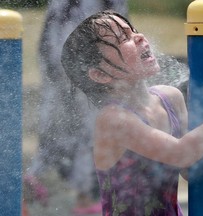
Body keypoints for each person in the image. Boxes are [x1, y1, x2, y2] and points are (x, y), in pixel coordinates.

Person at [61, 10, 203, 215]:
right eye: (123, 38)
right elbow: (180, 154)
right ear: (99, 74)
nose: (139, 37)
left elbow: (189, 168)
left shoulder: (170, 98)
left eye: (133, 30)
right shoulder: (114, 120)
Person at [24, 1, 128, 215]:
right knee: (90, 123)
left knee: (60, 119)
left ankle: (37, 180)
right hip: (80, 50)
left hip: (64, 44)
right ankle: (84, 197)